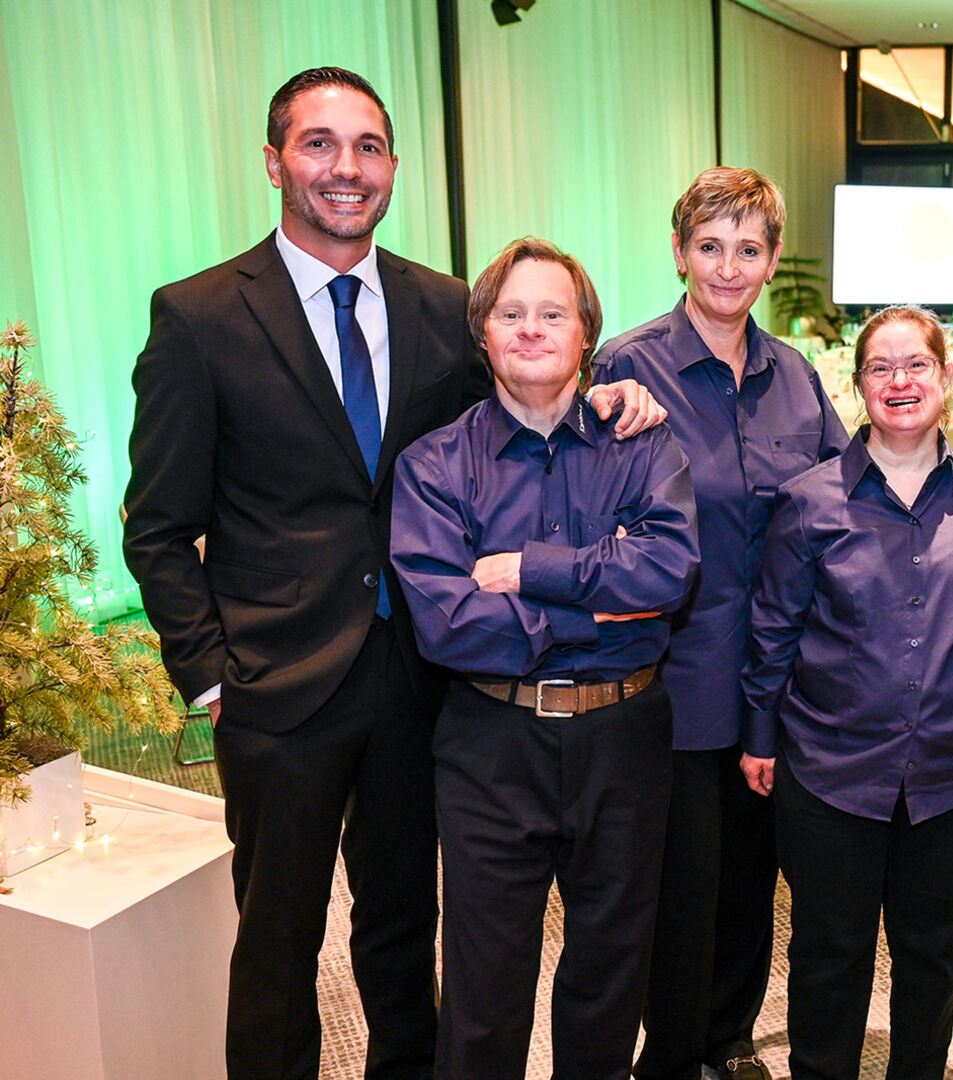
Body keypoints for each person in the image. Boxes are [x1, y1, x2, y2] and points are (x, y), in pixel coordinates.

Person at [121, 68, 656, 1080]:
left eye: (367, 146)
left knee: (405, 933)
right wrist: (209, 674)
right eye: (319, 144)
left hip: (421, 675)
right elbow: (156, 527)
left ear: (393, 166)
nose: (345, 168)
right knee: (278, 943)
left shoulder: (445, 307)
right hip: (274, 688)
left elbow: (522, 396)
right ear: (274, 159)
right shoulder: (198, 318)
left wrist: (616, 389)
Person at [391, 237, 700, 1080]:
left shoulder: (643, 443)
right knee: (486, 992)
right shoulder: (434, 466)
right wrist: (598, 605)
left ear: (586, 332)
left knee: (609, 977)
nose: (532, 329)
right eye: (512, 313)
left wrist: (530, 577)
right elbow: (447, 623)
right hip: (492, 741)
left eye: (553, 313)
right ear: (483, 334)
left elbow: (670, 572)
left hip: (625, 736)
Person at [592, 166, 847, 1080]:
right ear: (678, 252)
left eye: (748, 249)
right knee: (679, 889)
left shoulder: (797, 378)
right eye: (709, 247)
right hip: (675, 682)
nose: (728, 268)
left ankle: (730, 1041)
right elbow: (594, 516)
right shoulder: (627, 365)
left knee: (751, 882)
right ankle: (671, 1055)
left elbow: (839, 505)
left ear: (773, 259)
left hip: (778, 684)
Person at [739, 305, 953, 1080]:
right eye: (880, 368)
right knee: (830, 952)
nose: (900, 381)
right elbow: (773, 629)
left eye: (916, 364)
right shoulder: (809, 500)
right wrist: (759, 736)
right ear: (857, 387)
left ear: (945, 377)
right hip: (830, 770)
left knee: (934, 954)